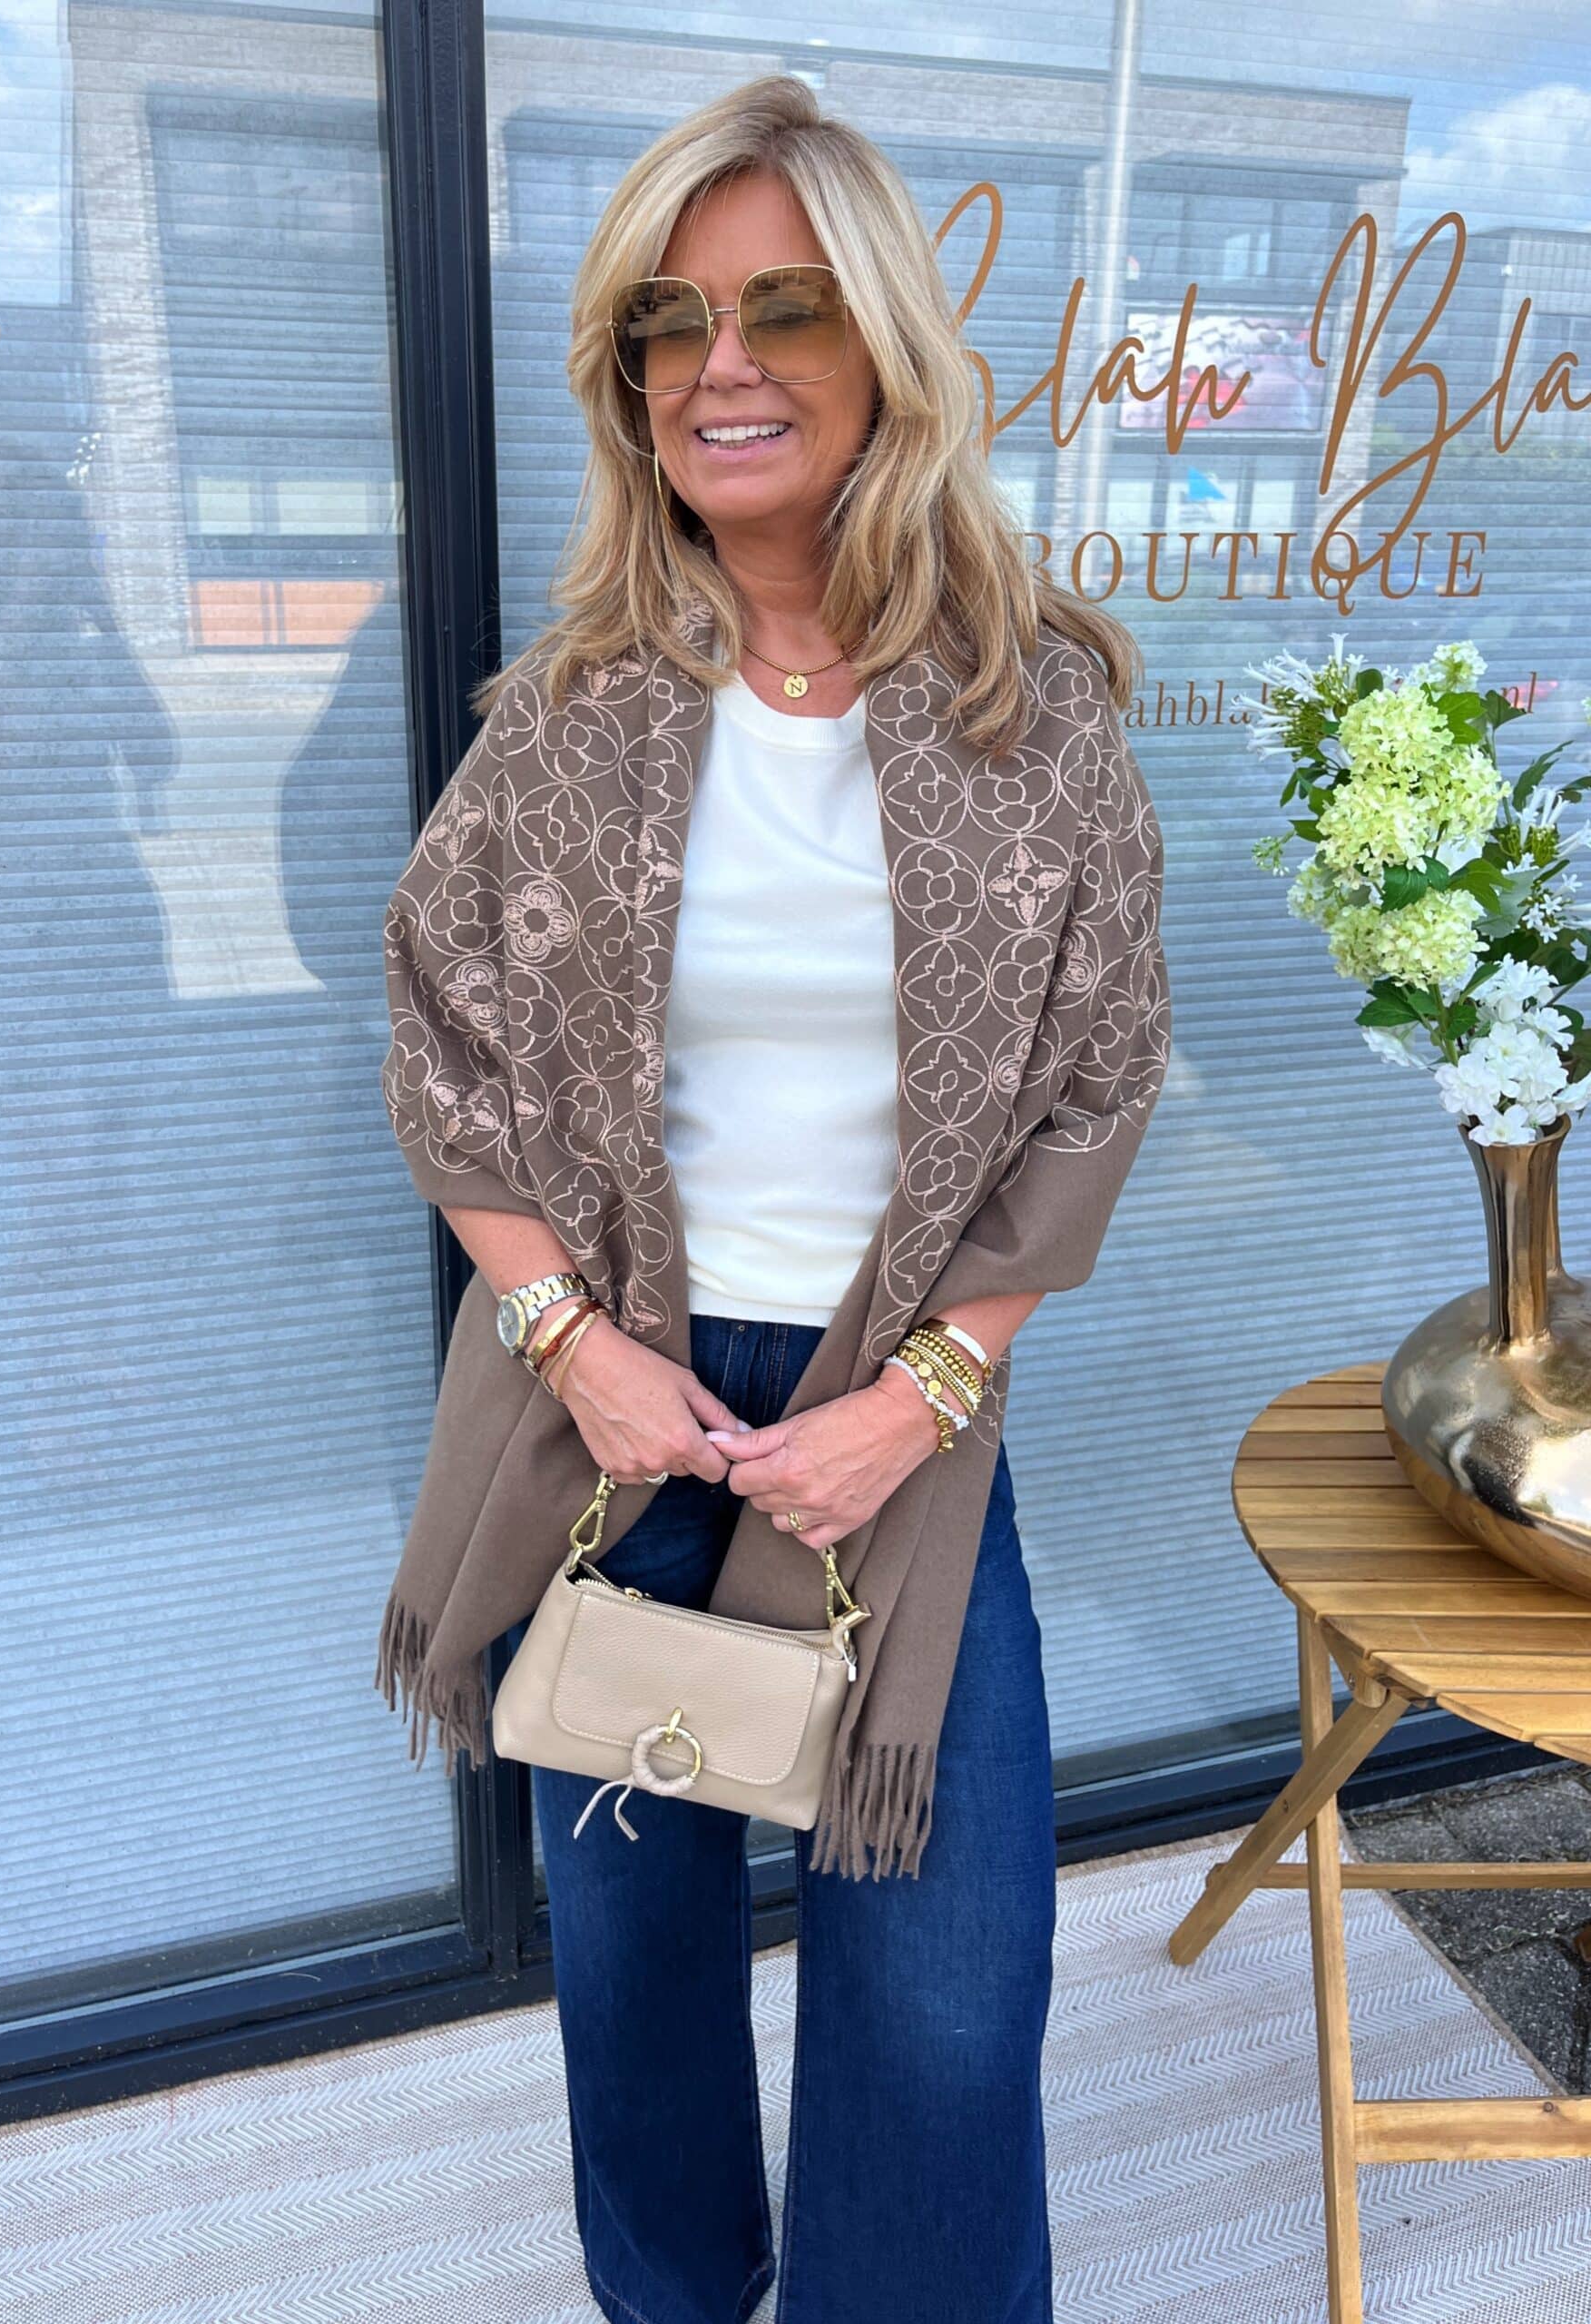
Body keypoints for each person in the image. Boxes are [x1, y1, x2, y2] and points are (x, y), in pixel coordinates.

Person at [374, 74, 1171, 2324]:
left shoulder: (1036, 710)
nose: (719, 362)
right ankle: (678, 2290)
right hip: (615, 1410)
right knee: (635, 1955)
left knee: (945, 1983)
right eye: (671, 319)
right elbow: (439, 1049)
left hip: (896, 1407)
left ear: (884, 346)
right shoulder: (570, 715)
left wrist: (923, 1393)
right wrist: (575, 1347)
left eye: (785, 307)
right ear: (629, 377)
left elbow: (1098, 1082)